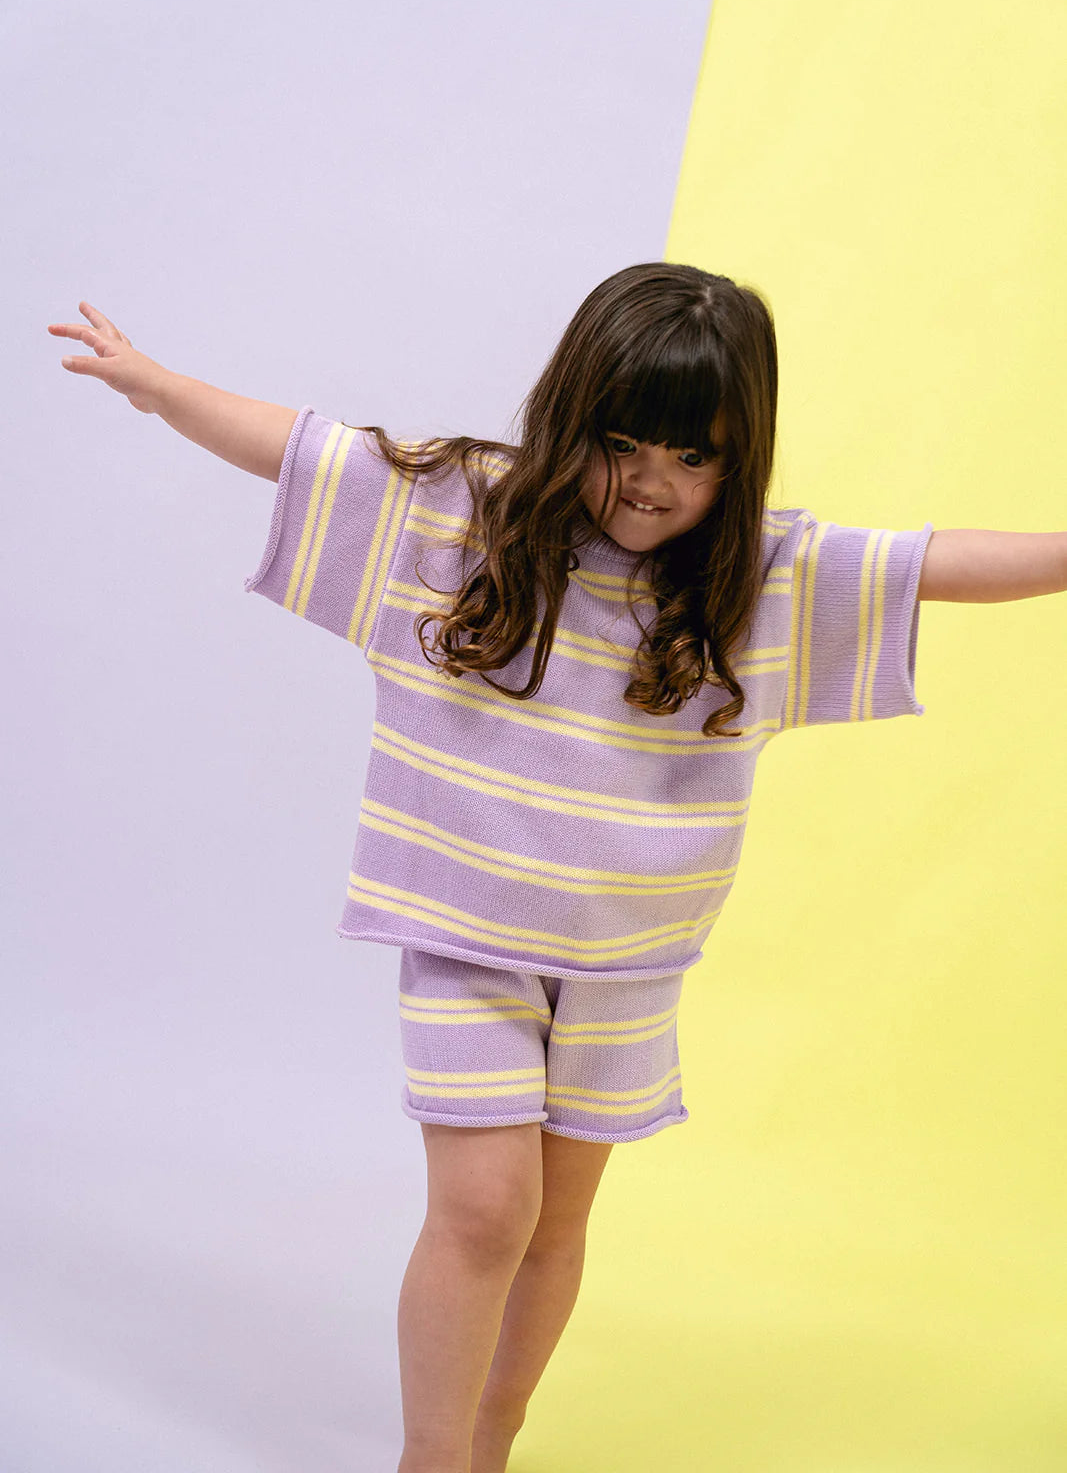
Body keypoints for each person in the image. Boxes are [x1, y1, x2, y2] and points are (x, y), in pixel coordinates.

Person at [48, 264, 1067, 1473]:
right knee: (485, 1208)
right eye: (623, 444)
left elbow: (939, 563)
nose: (650, 483)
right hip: (468, 932)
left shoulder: (759, 581)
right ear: (569, 417)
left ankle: (491, 1442)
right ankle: (430, 1461)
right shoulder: (462, 516)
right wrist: (159, 388)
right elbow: (306, 452)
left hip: (627, 964)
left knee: (555, 1223)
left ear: (736, 464)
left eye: (693, 459)